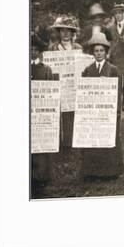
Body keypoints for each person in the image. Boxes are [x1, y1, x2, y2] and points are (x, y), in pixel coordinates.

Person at [79, 33, 123, 179]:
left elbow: (118, 92)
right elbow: (83, 93)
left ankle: (109, 172)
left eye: (101, 51)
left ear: (106, 52)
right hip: (92, 113)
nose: (99, 53)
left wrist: (116, 112)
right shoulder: (87, 70)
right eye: (96, 51)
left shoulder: (113, 70)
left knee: (108, 140)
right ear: (93, 52)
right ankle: (92, 172)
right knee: (93, 141)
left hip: (108, 113)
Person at [48, 15, 82, 150]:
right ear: (59, 32)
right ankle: (60, 143)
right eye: (63, 30)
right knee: (60, 115)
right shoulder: (53, 48)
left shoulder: (78, 47)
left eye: (69, 30)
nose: (66, 33)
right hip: (60, 85)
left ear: (72, 33)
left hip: (73, 87)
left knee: (73, 114)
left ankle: (72, 142)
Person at [30, 35, 54, 191]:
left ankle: (42, 176)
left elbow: (52, 92)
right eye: (30, 49)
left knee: (41, 145)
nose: (32, 52)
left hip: (42, 112)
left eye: (35, 49)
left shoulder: (45, 69)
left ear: (40, 52)